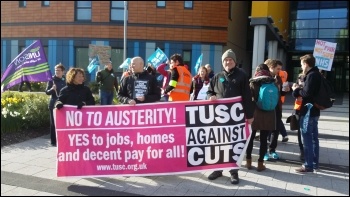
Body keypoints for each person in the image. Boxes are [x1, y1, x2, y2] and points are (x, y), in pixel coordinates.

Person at [206, 49, 254, 184]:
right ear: (223, 62)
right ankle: (218, 169)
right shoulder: (217, 76)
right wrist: (210, 96)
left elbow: (247, 96)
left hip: (236, 117)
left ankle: (233, 171)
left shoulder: (242, 75)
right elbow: (209, 91)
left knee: (234, 144)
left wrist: (249, 115)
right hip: (219, 117)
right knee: (218, 143)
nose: (228, 62)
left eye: (230, 59)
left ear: (235, 61)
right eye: (226, 60)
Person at [292, 54, 321, 173]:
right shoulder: (317, 74)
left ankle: (308, 165)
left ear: (306, 64)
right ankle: (314, 163)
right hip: (314, 111)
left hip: (308, 110)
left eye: (302, 64)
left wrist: (296, 90)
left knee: (307, 138)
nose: (301, 67)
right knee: (314, 138)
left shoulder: (311, 75)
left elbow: (306, 94)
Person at [245, 63, 276, 172]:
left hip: (254, 113)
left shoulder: (252, 82)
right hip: (269, 113)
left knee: (251, 138)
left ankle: (248, 161)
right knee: (264, 139)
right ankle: (260, 164)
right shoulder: (273, 81)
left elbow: (248, 99)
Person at [262, 59, 288, 161]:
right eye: (278, 68)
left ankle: (272, 150)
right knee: (265, 131)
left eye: (280, 69)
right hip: (266, 108)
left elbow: (280, 93)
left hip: (277, 107)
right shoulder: (263, 78)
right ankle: (263, 152)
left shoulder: (278, 78)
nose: (279, 71)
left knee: (276, 129)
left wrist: (284, 91)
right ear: (271, 67)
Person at [45, 63, 66, 146]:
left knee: (63, 123)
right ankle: (54, 141)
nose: (57, 72)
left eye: (59, 70)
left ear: (63, 72)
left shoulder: (64, 80)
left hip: (63, 104)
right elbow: (47, 92)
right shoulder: (51, 80)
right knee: (54, 123)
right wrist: (52, 89)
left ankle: (62, 139)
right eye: (56, 70)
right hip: (53, 104)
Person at [293, 73, 305, 161]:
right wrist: (296, 88)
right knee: (300, 131)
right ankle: (302, 150)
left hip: (307, 109)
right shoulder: (297, 86)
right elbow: (294, 95)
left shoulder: (309, 86)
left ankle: (305, 150)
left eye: (303, 79)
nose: (301, 80)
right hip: (298, 109)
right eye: (300, 79)